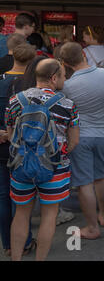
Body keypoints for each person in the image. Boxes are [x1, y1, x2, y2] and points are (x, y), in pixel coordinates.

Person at [6, 58, 79, 261]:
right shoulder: (68, 105)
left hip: (21, 167)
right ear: (54, 78)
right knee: (49, 215)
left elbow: (12, 136)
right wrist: (59, 154)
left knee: (21, 214)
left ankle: (16, 259)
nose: (65, 79)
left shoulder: (15, 101)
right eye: (64, 75)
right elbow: (74, 141)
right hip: (55, 168)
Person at [60, 42, 104, 240]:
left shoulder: (68, 86)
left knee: (84, 183)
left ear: (64, 63)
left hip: (80, 137)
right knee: (101, 176)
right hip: (103, 135)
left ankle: (91, 228)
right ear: (83, 54)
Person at [0, 44, 36, 257]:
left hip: (3, 145)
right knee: (21, 198)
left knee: (4, 196)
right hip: (24, 147)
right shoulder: (32, 86)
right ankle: (24, 242)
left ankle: (8, 243)